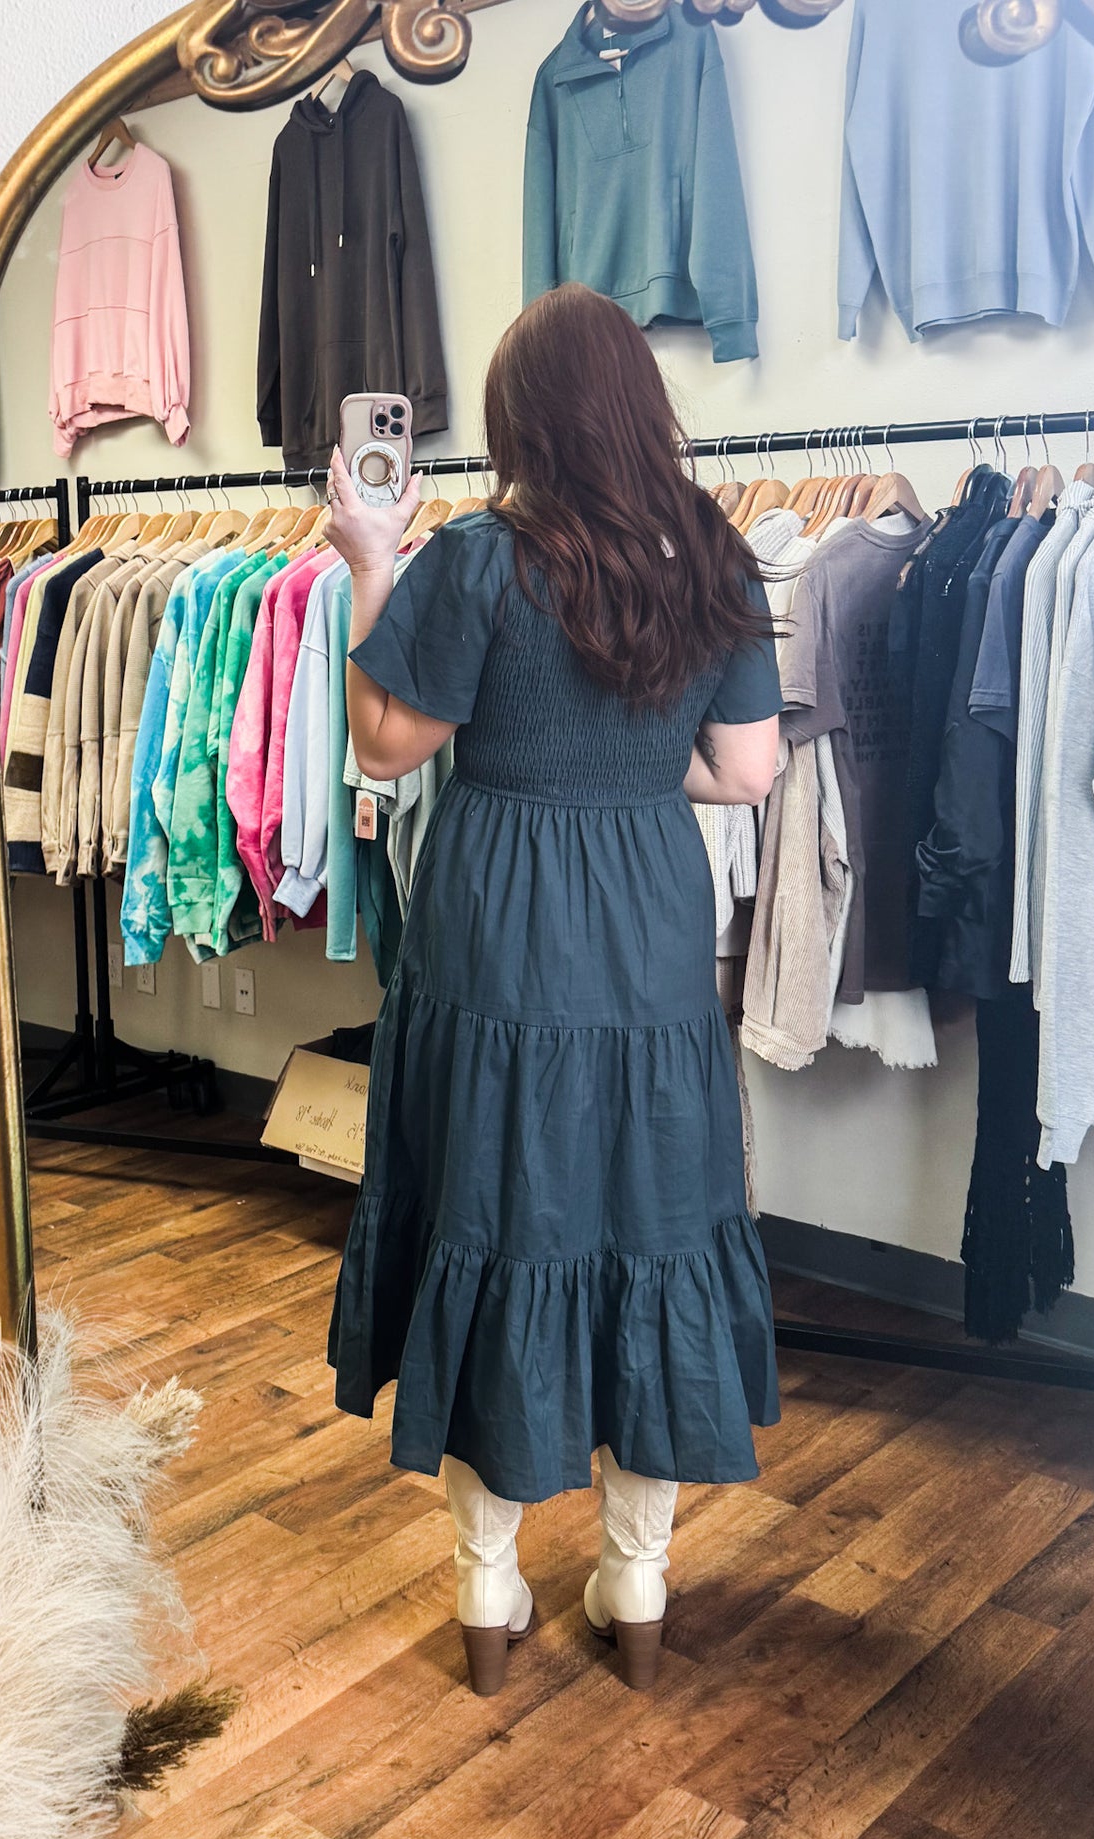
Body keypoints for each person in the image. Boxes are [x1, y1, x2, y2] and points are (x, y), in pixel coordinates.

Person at [322, 283, 782, 1696]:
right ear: (640, 406)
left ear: (521, 419)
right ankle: (635, 1579)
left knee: (494, 1206)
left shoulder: (473, 559)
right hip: (645, 913)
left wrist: (367, 559)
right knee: (650, 1212)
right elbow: (747, 770)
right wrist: (634, 780)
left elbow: (389, 744)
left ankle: (485, 1587)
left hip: (495, 918)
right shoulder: (709, 553)